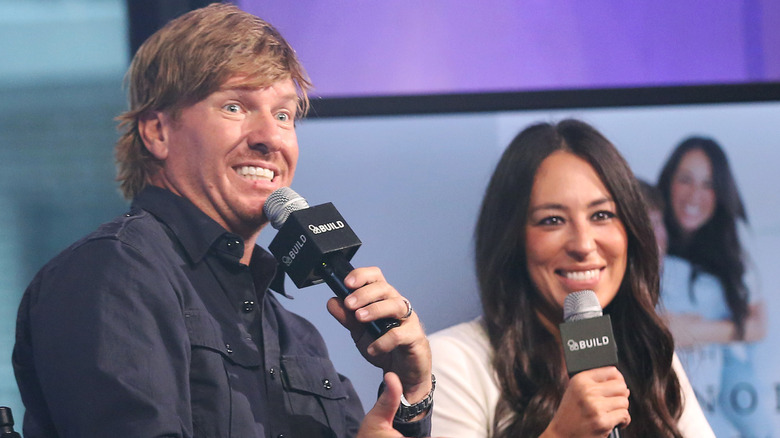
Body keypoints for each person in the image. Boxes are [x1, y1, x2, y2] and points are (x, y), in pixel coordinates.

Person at [12, 4, 433, 437]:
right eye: (235, 107)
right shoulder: (112, 274)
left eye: (284, 115)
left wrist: (413, 392)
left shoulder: (295, 334)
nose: (270, 138)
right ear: (158, 131)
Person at [429, 119, 714, 437]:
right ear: (511, 238)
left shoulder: (648, 357)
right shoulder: (453, 362)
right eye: (552, 220)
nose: (583, 244)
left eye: (601, 215)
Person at [656, 137, 771, 436]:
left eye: (708, 184)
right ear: (669, 181)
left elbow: (759, 325)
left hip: (718, 397)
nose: (696, 194)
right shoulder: (649, 238)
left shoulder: (732, 246)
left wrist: (690, 332)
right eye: (686, 180)